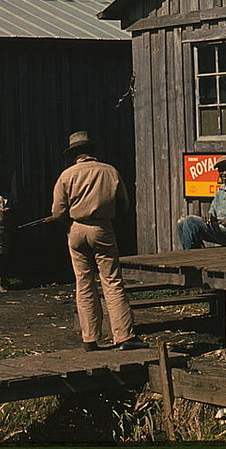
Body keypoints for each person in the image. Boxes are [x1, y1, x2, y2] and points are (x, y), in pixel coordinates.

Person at [47, 131, 147, 351]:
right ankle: (123, 335)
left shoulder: (66, 175)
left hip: (76, 229)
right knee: (111, 281)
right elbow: (124, 205)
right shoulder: (109, 171)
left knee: (83, 283)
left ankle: (90, 338)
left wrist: (68, 221)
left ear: (74, 154)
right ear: (92, 151)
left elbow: (58, 211)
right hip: (102, 228)